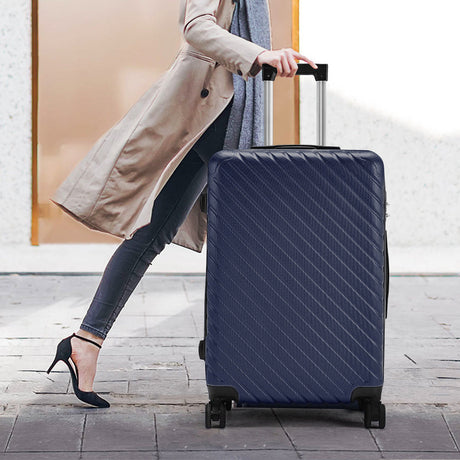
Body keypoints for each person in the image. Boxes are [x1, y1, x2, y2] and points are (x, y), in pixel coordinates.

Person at [47, 0, 317, 408]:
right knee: (251, 237)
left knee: (152, 235)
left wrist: (266, 55)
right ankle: (254, 359)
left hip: (221, 111)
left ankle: (85, 341)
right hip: (209, 108)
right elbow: (196, 26)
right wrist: (259, 54)